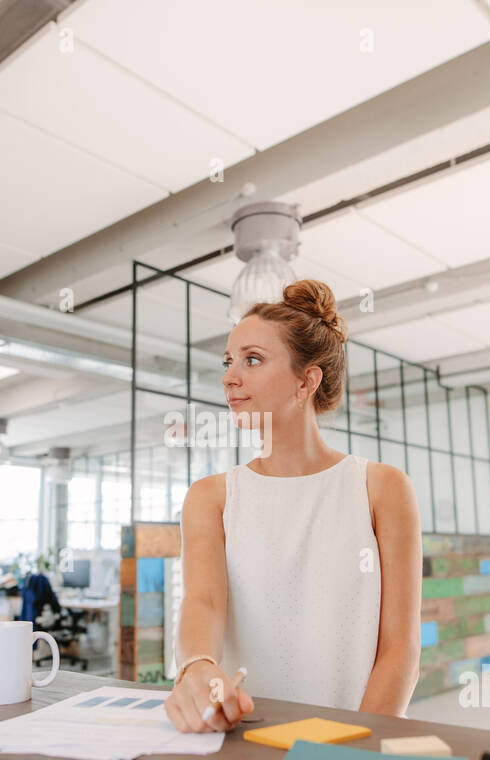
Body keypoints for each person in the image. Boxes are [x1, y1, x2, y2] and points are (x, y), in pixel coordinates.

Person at [164, 279, 422, 734]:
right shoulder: (211, 497)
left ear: (307, 380)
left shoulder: (382, 489)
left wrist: (354, 743)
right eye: (229, 361)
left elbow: (400, 649)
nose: (229, 377)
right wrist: (198, 665)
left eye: (253, 360)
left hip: (353, 745)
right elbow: (202, 601)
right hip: (245, 740)